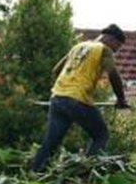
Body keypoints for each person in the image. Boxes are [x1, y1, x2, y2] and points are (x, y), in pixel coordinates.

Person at [30, 24, 129, 172]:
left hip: (57, 98)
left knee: (50, 143)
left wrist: (67, 87)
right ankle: (86, 173)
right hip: (77, 99)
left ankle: (33, 173)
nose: (115, 51)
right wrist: (121, 100)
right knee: (101, 135)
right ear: (111, 39)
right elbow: (113, 74)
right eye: (117, 47)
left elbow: (56, 70)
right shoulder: (103, 49)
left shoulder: (78, 47)